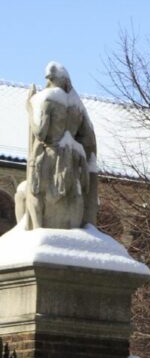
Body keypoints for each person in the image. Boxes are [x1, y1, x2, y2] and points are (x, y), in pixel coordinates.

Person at [18, 62, 99, 232]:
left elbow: (40, 133)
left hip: (50, 154)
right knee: (74, 195)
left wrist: (30, 108)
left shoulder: (47, 99)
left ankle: (37, 229)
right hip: (72, 158)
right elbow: (89, 138)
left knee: (34, 192)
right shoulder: (77, 106)